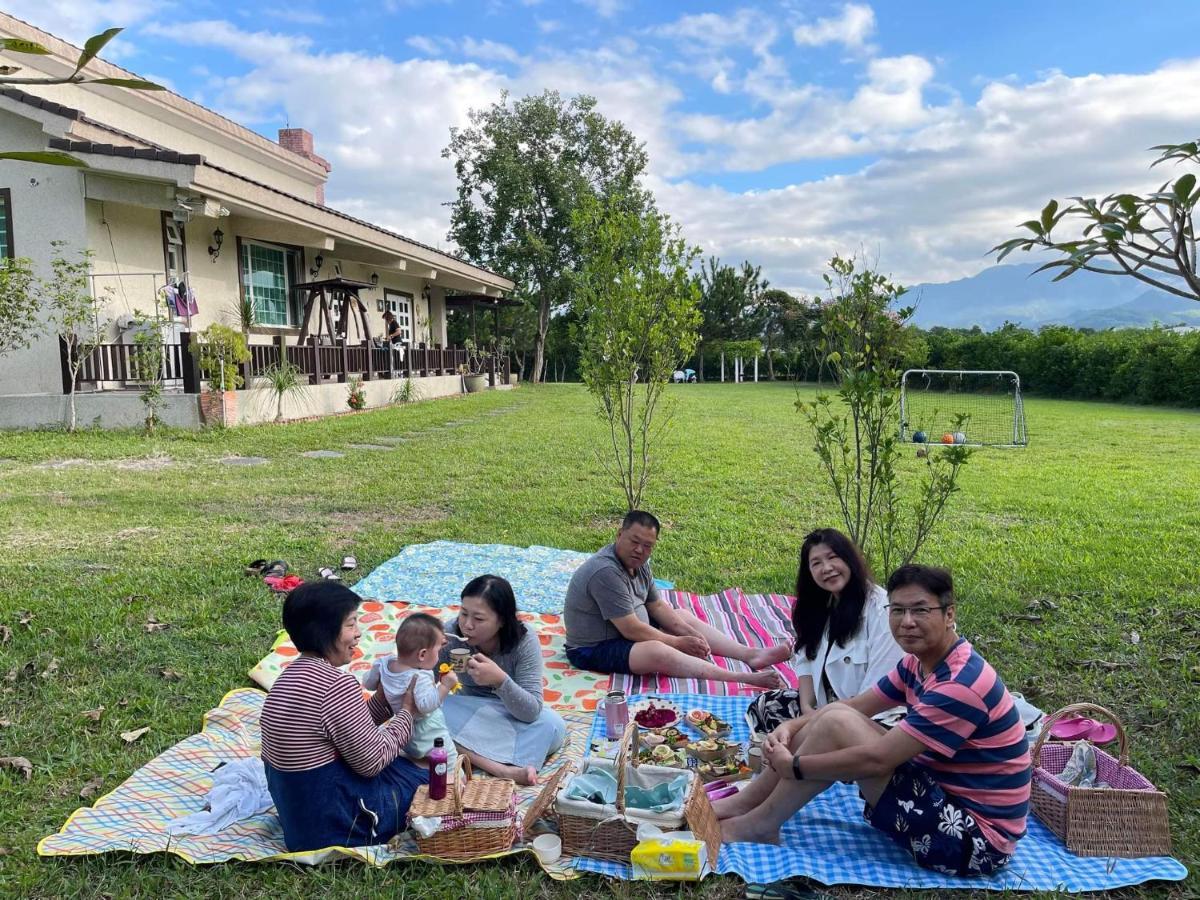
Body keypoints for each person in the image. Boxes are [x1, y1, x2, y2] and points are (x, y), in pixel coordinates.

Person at [715, 565, 1031, 878]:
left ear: (949, 615)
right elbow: (854, 707)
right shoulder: (919, 663)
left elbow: (878, 760)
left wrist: (795, 765)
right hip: (942, 795)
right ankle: (748, 805)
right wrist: (790, 727)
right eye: (897, 610)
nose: (907, 622)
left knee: (837, 726)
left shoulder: (960, 686)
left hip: (975, 841)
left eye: (921, 610)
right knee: (838, 717)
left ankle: (761, 823)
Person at [260, 582, 427, 851]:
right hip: (339, 825)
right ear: (326, 632)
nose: (359, 634)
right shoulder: (336, 685)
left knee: (403, 764)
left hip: (300, 823)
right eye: (351, 624)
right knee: (427, 776)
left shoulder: (288, 678)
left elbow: (345, 730)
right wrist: (407, 713)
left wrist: (382, 701)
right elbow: (371, 762)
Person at [564, 510, 792, 689]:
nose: (639, 550)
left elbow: (657, 605)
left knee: (681, 616)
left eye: (647, 546)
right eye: (634, 541)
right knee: (656, 650)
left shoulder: (639, 565)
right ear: (619, 535)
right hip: (593, 648)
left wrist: (689, 633)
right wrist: (677, 642)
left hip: (626, 632)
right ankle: (741, 678)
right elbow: (631, 630)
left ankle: (750, 655)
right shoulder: (605, 572)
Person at [747, 528, 904, 734]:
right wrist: (806, 709)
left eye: (832, 557)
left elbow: (878, 691)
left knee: (818, 738)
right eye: (816, 563)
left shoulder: (880, 609)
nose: (827, 568)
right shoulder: (819, 605)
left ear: (849, 560)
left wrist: (816, 721)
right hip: (826, 708)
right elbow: (805, 658)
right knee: (765, 705)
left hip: (871, 716)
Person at [440, 574, 566, 786]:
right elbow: (421, 682)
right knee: (425, 714)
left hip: (508, 716)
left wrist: (500, 681)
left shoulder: (523, 640)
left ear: (502, 621)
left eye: (478, 619)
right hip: (465, 712)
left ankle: (469, 752)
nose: (467, 625)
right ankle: (501, 768)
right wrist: (429, 650)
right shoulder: (450, 635)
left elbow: (531, 711)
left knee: (552, 726)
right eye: (463, 614)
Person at [363, 612, 459, 768]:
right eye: (438, 650)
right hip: (427, 731)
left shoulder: (383, 664)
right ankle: (455, 780)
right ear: (422, 654)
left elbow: (368, 683)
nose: (439, 654)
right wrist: (445, 686)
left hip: (404, 732)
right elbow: (426, 705)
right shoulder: (419, 676)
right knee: (448, 757)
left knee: (413, 758)